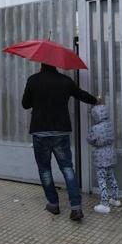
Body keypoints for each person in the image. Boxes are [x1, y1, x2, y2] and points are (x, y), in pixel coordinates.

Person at [22, 63, 98, 221]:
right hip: (61, 131)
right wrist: (96, 101)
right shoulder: (65, 81)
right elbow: (81, 95)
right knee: (67, 168)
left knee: (44, 169)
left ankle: (53, 204)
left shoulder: (33, 80)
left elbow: (25, 104)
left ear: (41, 63)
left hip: (40, 131)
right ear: (56, 64)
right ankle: (76, 208)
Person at [86, 104, 121, 214]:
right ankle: (115, 199)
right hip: (111, 154)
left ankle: (104, 203)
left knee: (102, 180)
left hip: (101, 156)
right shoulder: (110, 125)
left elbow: (90, 139)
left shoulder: (95, 128)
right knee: (111, 177)